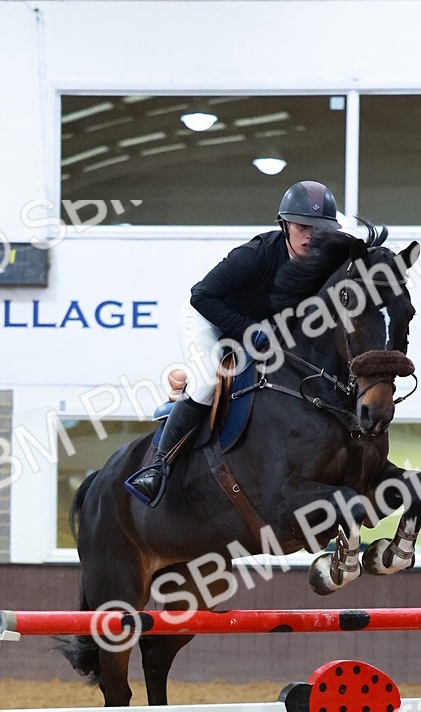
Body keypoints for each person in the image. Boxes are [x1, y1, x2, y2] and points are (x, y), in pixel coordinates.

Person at [126, 180, 340, 506]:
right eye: (302, 226)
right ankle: (158, 468)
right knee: (207, 380)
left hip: (260, 333)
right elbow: (201, 296)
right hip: (208, 319)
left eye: (319, 229)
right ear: (285, 225)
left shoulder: (325, 267)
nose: (311, 236)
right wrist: (247, 330)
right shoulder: (255, 255)